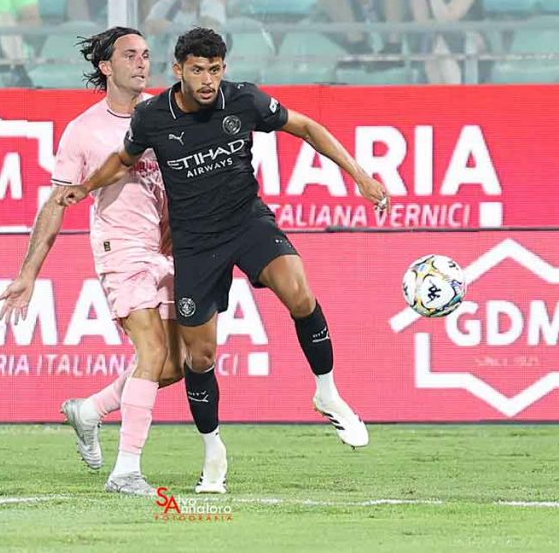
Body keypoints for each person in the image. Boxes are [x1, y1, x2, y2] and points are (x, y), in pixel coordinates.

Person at [62, 28, 389, 493]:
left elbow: (308, 128)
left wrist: (361, 176)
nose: (208, 80)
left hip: (246, 223)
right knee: (198, 357)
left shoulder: (243, 101)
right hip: (195, 245)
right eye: (198, 70)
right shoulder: (153, 117)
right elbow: (123, 160)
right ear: (179, 70)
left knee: (299, 293)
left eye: (215, 70)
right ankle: (213, 451)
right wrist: (87, 187)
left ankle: (328, 393)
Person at [0, 27, 191, 497]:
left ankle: (90, 410)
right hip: (119, 249)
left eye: (146, 55)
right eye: (130, 55)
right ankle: (126, 472)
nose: (142, 63)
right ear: (106, 67)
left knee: (177, 364)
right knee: (151, 352)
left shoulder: (164, 115)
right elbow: (57, 203)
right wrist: (28, 274)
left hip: (165, 250)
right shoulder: (84, 131)